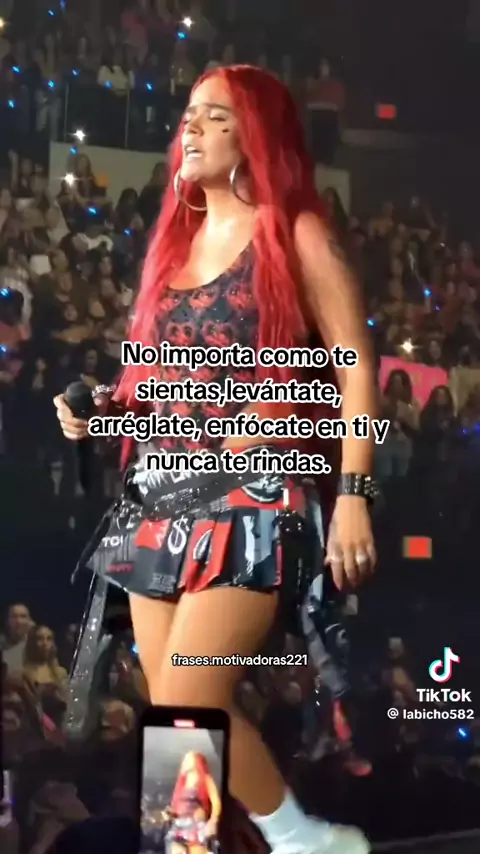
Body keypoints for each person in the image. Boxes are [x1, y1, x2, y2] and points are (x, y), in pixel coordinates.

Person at [54, 65, 377, 854]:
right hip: (159, 500)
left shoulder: (294, 232)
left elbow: (356, 367)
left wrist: (353, 494)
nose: (190, 127)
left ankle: (306, 842)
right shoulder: (175, 246)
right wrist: (102, 410)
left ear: (255, 133)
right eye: (188, 115)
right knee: (172, 717)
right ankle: (189, 849)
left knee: (192, 693)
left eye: (215, 115)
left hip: (250, 498)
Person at [164, 751, 222, 854]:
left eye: (188, 759)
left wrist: (213, 821)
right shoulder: (182, 783)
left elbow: (216, 803)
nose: (185, 762)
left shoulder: (205, 779)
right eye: (185, 760)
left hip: (196, 825)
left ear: (196, 761)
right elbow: (175, 806)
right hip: (179, 825)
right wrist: (169, 814)